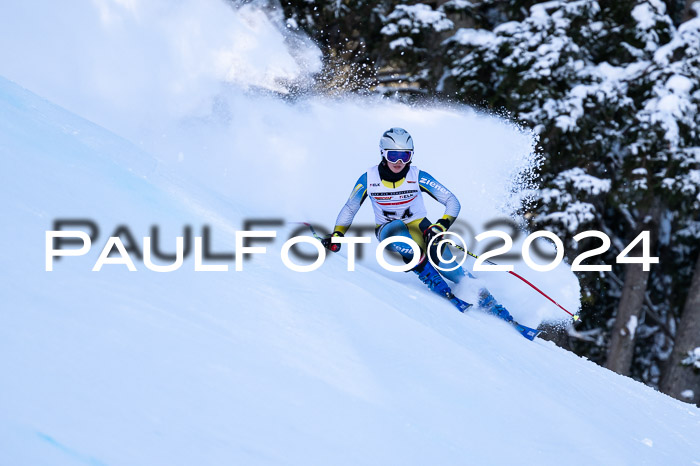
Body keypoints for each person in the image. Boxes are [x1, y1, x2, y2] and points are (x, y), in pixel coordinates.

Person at [322, 127, 514, 320]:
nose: (399, 162)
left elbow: (452, 201)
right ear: (383, 154)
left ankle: (494, 306)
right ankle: (430, 277)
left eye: (405, 156)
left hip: (420, 226)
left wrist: (440, 226)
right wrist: (337, 234)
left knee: (452, 269)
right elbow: (350, 208)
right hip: (388, 229)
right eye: (393, 155)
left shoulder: (418, 176)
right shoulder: (369, 179)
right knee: (405, 240)